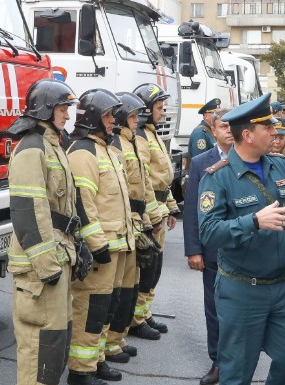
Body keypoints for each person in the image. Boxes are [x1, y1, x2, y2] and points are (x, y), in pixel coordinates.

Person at [198, 92, 285, 385]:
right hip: (243, 288)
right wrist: (254, 221)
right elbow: (208, 231)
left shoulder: (279, 165)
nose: (275, 131)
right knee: (237, 370)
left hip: (283, 285)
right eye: (267, 127)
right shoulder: (217, 177)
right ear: (247, 134)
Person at [5, 78, 83, 385]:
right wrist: (47, 265)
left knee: (55, 345)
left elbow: (63, 206)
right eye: (62, 108)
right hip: (41, 266)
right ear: (45, 110)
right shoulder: (31, 148)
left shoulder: (53, 145)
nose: (67, 115)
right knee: (39, 349)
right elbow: (27, 211)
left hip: (56, 255)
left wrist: (77, 246)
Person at [66, 89, 132, 385]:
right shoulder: (83, 151)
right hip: (101, 250)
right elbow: (84, 204)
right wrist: (97, 245)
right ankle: (81, 370)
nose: (112, 120)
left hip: (116, 246)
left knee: (106, 307)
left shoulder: (105, 148)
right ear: (92, 117)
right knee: (90, 309)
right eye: (107, 115)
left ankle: (96, 358)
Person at [105, 92, 160, 364]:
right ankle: (107, 344)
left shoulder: (134, 143)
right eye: (133, 116)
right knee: (116, 290)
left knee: (130, 287)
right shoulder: (115, 145)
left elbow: (145, 184)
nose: (137, 121)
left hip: (137, 220)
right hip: (124, 223)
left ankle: (117, 339)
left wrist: (148, 221)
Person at [182, 107, 234, 385]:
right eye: (222, 126)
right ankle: (218, 362)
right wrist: (194, 250)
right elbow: (192, 209)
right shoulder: (202, 162)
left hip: (242, 250)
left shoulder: (248, 159)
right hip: (213, 251)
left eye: (231, 126)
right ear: (213, 131)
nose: (228, 131)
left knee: (240, 310)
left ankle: (238, 359)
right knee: (214, 309)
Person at [128, 83, 179, 339]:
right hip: (151, 214)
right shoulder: (140, 137)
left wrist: (170, 207)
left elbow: (163, 178)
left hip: (159, 208)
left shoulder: (152, 133)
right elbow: (143, 181)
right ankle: (136, 320)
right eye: (159, 107)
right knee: (146, 270)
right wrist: (151, 218)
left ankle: (145, 313)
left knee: (155, 269)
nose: (163, 112)